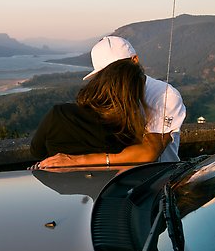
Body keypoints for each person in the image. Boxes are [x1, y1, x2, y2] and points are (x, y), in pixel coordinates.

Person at [30, 35, 186, 169]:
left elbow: (149, 152)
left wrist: (77, 161)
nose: (112, 78)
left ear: (135, 60)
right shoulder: (112, 98)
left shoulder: (165, 95)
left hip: (160, 177)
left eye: (115, 70)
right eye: (106, 74)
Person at [29, 57, 149, 168]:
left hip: (60, 185)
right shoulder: (125, 131)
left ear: (100, 82)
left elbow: (36, 151)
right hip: (106, 188)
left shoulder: (59, 114)